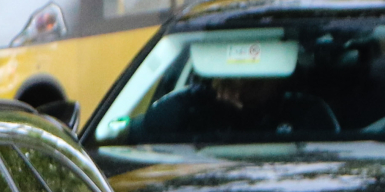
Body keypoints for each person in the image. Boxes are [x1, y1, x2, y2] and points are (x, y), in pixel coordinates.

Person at [139, 71, 338, 142]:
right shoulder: (184, 110)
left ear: (277, 82)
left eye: (254, 83)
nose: (241, 89)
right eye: (230, 81)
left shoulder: (308, 115)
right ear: (215, 81)